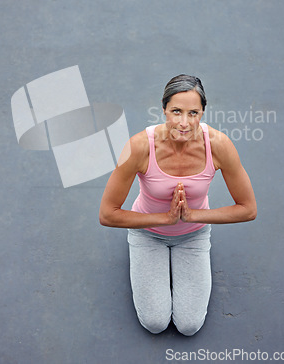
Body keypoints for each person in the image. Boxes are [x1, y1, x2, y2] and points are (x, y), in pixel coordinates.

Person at [99, 74, 257, 336]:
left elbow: (248, 208)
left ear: (203, 112)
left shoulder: (219, 146)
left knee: (189, 326)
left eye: (193, 113)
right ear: (163, 110)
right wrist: (165, 219)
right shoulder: (139, 147)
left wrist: (193, 216)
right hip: (147, 234)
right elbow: (107, 214)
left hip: (193, 236)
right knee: (155, 322)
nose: (185, 123)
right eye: (176, 111)